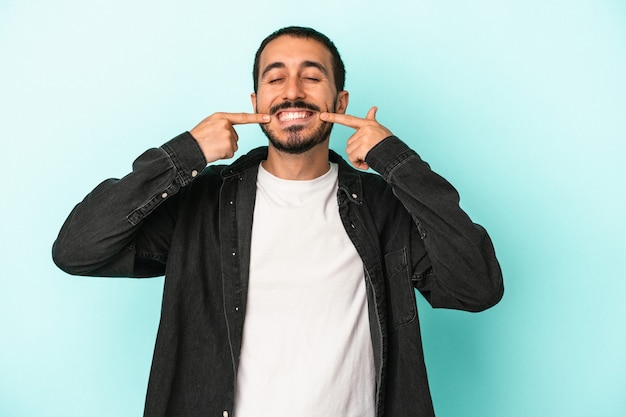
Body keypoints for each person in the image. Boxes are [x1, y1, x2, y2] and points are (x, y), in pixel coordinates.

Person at [52, 26, 503, 417]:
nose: (293, 91)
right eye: (276, 78)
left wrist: (396, 163)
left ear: (339, 99)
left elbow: (476, 287)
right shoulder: (203, 204)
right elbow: (77, 249)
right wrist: (186, 153)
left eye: (312, 76)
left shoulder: (382, 207)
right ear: (256, 100)